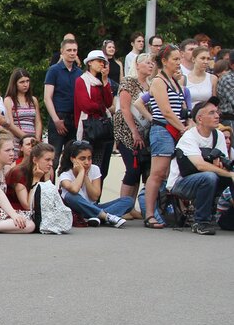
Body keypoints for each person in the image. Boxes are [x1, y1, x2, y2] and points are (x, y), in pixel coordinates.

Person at [166, 98, 234, 235]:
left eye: (217, 112)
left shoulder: (218, 135)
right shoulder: (189, 137)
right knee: (209, 176)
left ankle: (228, 219)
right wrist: (229, 174)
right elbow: (200, 165)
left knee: (218, 176)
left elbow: (222, 163)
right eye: (211, 113)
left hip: (206, 179)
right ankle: (201, 222)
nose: (217, 116)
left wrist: (227, 170)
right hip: (180, 183)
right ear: (200, 119)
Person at [144, 44, 189, 229]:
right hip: (163, 130)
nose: (179, 62)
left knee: (172, 173)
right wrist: (184, 129)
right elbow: (166, 111)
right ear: (164, 61)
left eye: (179, 59)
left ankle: (170, 211)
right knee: (158, 173)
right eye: (175, 59)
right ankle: (149, 214)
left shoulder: (174, 81)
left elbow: (181, 109)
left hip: (175, 130)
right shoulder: (159, 81)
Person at [57, 140, 132, 227]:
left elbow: (95, 197)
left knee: (128, 201)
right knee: (70, 196)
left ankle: (95, 217)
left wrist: (85, 176)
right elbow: (74, 190)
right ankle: (105, 217)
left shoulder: (95, 169)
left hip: (92, 207)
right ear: (73, 159)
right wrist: (81, 172)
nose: (87, 162)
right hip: (76, 209)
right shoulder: (65, 174)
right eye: (82, 158)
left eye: (89, 158)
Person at [114, 52, 154, 216]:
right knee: (132, 168)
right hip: (127, 130)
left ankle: (131, 207)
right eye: (147, 62)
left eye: (152, 63)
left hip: (144, 131)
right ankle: (122, 206)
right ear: (137, 65)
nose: (151, 65)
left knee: (140, 168)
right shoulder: (129, 81)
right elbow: (124, 108)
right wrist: (134, 131)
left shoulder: (151, 85)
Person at [74, 50, 115, 184]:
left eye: (103, 62)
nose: (102, 64)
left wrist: (105, 81)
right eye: (99, 61)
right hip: (89, 128)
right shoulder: (82, 80)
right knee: (88, 163)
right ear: (90, 63)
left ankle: (97, 192)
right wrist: (101, 106)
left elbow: (108, 102)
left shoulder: (101, 82)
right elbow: (86, 105)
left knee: (101, 167)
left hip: (102, 128)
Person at [44, 38, 82, 162]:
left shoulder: (79, 73)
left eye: (74, 50)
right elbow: (47, 97)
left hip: (74, 118)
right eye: (69, 50)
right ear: (62, 51)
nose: (72, 53)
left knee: (72, 158)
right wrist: (56, 120)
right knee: (53, 158)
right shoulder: (54, 70)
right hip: (59, 116)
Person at [7, 142, 56, 210]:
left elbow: (51, 201)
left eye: (52, 160)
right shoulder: (18, 173)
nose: (51, 164)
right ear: (35, 160)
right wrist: (36, 179)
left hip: (38, 209)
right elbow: (28, 206)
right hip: (17, 210)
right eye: (47, 160)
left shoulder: (47, 171)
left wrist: (47, 181)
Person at [3, 68, 43, 150]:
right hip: (17, 141)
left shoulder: (33, 100)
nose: (25, 84)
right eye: (22, 82)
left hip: (33, 141)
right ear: (15, 84)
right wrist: (27, 138)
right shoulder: (9, 100)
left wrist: (37, 139)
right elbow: (10, 124)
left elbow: (38, 122)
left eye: (27, 81)